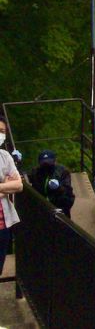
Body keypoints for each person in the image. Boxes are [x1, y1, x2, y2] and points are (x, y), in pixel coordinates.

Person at [0, 117, 22, 274]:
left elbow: (18, 185)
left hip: (3, 224)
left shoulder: (5, 156)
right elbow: (12, 185)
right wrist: (5, 186)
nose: (0, 134)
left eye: (2, 131)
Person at [32, 150, 74, 218]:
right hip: (41, 210)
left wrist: (58, 188)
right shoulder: (36, 172)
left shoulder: (62, 171)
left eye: (49, 162)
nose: (46, 165)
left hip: (59, 209)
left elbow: (68, 194)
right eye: (43, 163)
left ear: (55, 161)